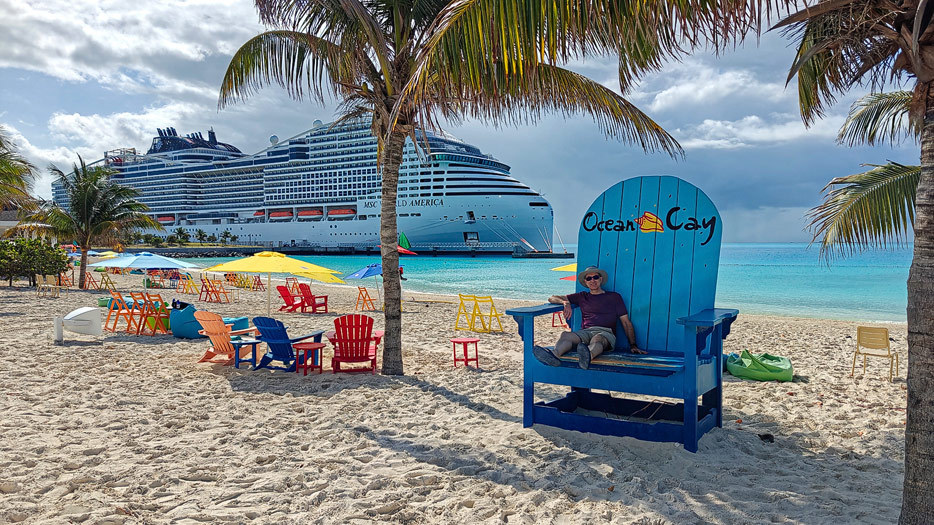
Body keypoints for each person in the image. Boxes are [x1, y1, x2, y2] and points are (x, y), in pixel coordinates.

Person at [532, 265, 646, 369]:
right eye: (589, 278)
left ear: (600, 279)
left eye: (595, 277)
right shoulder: (582, 296)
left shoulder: (614, 297)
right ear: (585, 282)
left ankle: (587, 357)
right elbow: (551, 298)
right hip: (586, 332)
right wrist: (565, 302)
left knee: (597, 339)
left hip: (606, 333)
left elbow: (626, 322)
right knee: (566, 335)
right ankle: (555, 355)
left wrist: (633, 345)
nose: (592, 280)